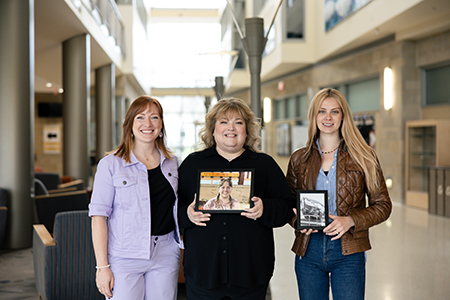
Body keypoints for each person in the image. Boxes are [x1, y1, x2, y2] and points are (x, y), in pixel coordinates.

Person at [178, 97, 295, 300]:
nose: (231, 128)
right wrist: (187, 214)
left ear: (247, 130)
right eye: (224, 121)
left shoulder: (265, 165)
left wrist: (264, 209)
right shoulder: (192, 164)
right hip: (204, 273)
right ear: (212, 129)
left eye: (238, 122)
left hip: (250, 274)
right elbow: (171, 207)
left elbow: (287, 207)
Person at [286, 88, 392, 300]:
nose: (328, 117)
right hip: (309, 250)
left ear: (343, 116)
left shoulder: (364, 156)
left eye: (334, 112)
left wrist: (351, 220)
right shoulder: (299, 159)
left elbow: (383, 205)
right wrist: (297, 220)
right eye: (322, 111)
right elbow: (287, 204)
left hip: (349, 249)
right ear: (314, 116)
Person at [89, 95, 182, 300]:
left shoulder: (172, 162)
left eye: (154, 117)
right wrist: (102, 266)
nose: (147, 124)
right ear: (130, 124)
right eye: (140, 117)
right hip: (124, 256)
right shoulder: (110, 164)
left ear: (161, 125)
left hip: (165, 252)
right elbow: (98, 218)